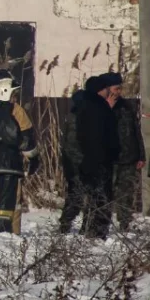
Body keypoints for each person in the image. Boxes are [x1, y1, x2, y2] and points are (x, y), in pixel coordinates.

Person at [0, 78, 41, 234]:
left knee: (1, 201)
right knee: (5, 203)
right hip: (9, 164)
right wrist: (33, 157)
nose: (15, 98)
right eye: (13, 94)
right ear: (5, 93)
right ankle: (2, 232)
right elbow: (21, 138)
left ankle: (0, 231)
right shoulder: (9, 112)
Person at [76, 75, 119, 239]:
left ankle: (88, 227)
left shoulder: (83, 106)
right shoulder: (100, 107)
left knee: (92, 194)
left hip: (87, 158)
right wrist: (113, 152)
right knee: (102, 196)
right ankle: (98, 231)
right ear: (101, 89)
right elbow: (108, 134)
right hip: (101, 159)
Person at [103, 73, 145, 231]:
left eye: (120, 88)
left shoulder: (127, 106)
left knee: (126, 193)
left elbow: (135, 130)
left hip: (129, 157)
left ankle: (125, 222)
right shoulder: (99, 106)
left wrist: (141, 155)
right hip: (110, 157)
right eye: (116, 88)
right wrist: (108, 107)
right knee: (107, 191)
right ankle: (102, 222)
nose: (118, 92)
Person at [58, 87, 88, 233]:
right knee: (79, 194)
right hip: (80, 162)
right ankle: (69, 222)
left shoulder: (70, 117)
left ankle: (66, 222)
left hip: (71, 162)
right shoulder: (83, 118)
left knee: (74, 193)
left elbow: (64, 142)